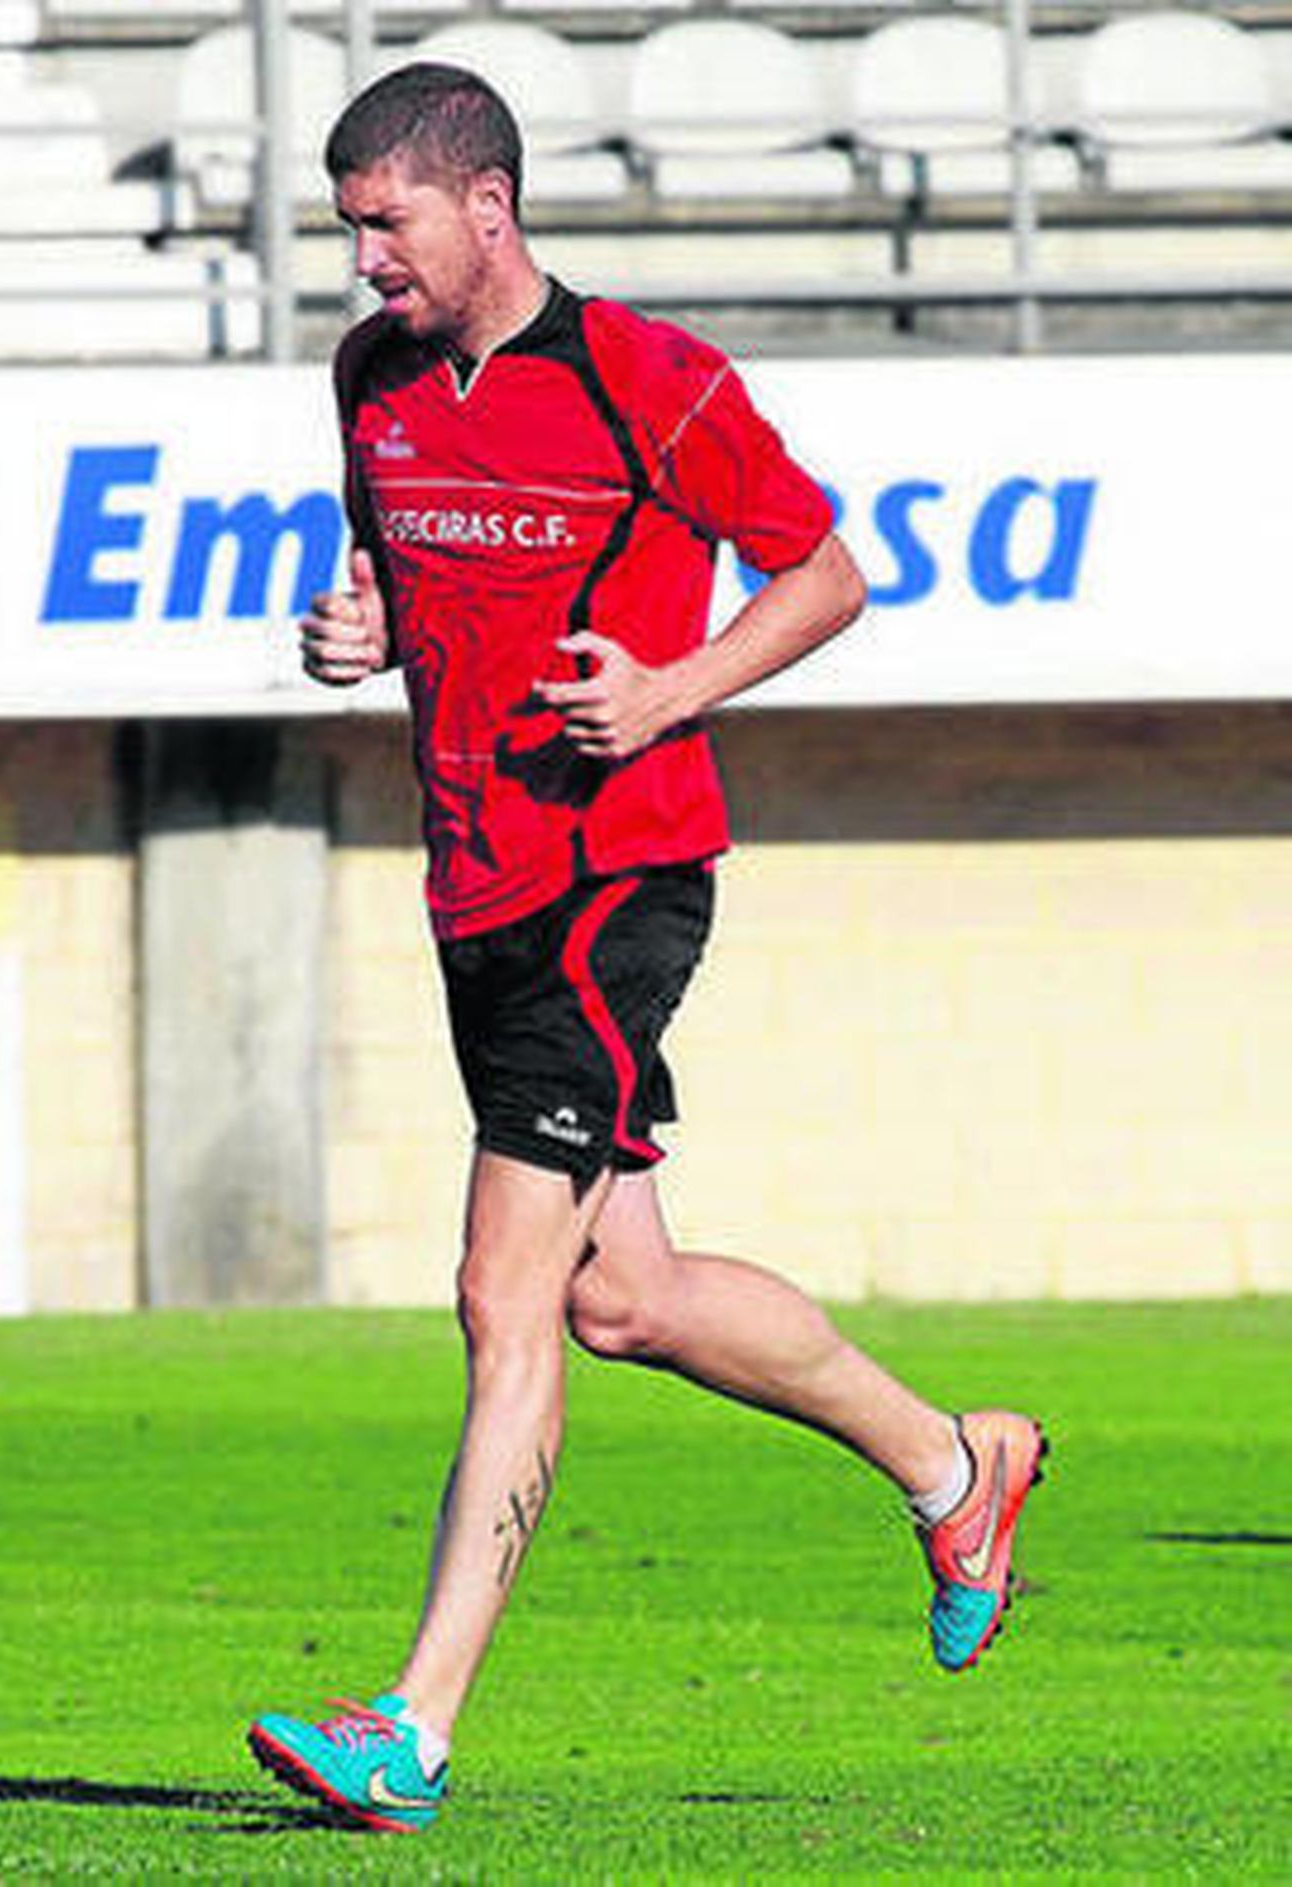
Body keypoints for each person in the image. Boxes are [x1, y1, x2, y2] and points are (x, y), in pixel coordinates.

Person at [247, 61, 1046, 1835]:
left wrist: (675, 686)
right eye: (349, 225)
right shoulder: (369, 377)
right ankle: (953, 1464)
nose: (363, 259)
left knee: (502, 1296)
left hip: (615, 882)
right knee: (621, 1299)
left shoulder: (648, 380)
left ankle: (413, 1729)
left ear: (488, 207)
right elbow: (399, 582)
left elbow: (827, 574)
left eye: (387, 223)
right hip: (471, 880)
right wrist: (354, 628)